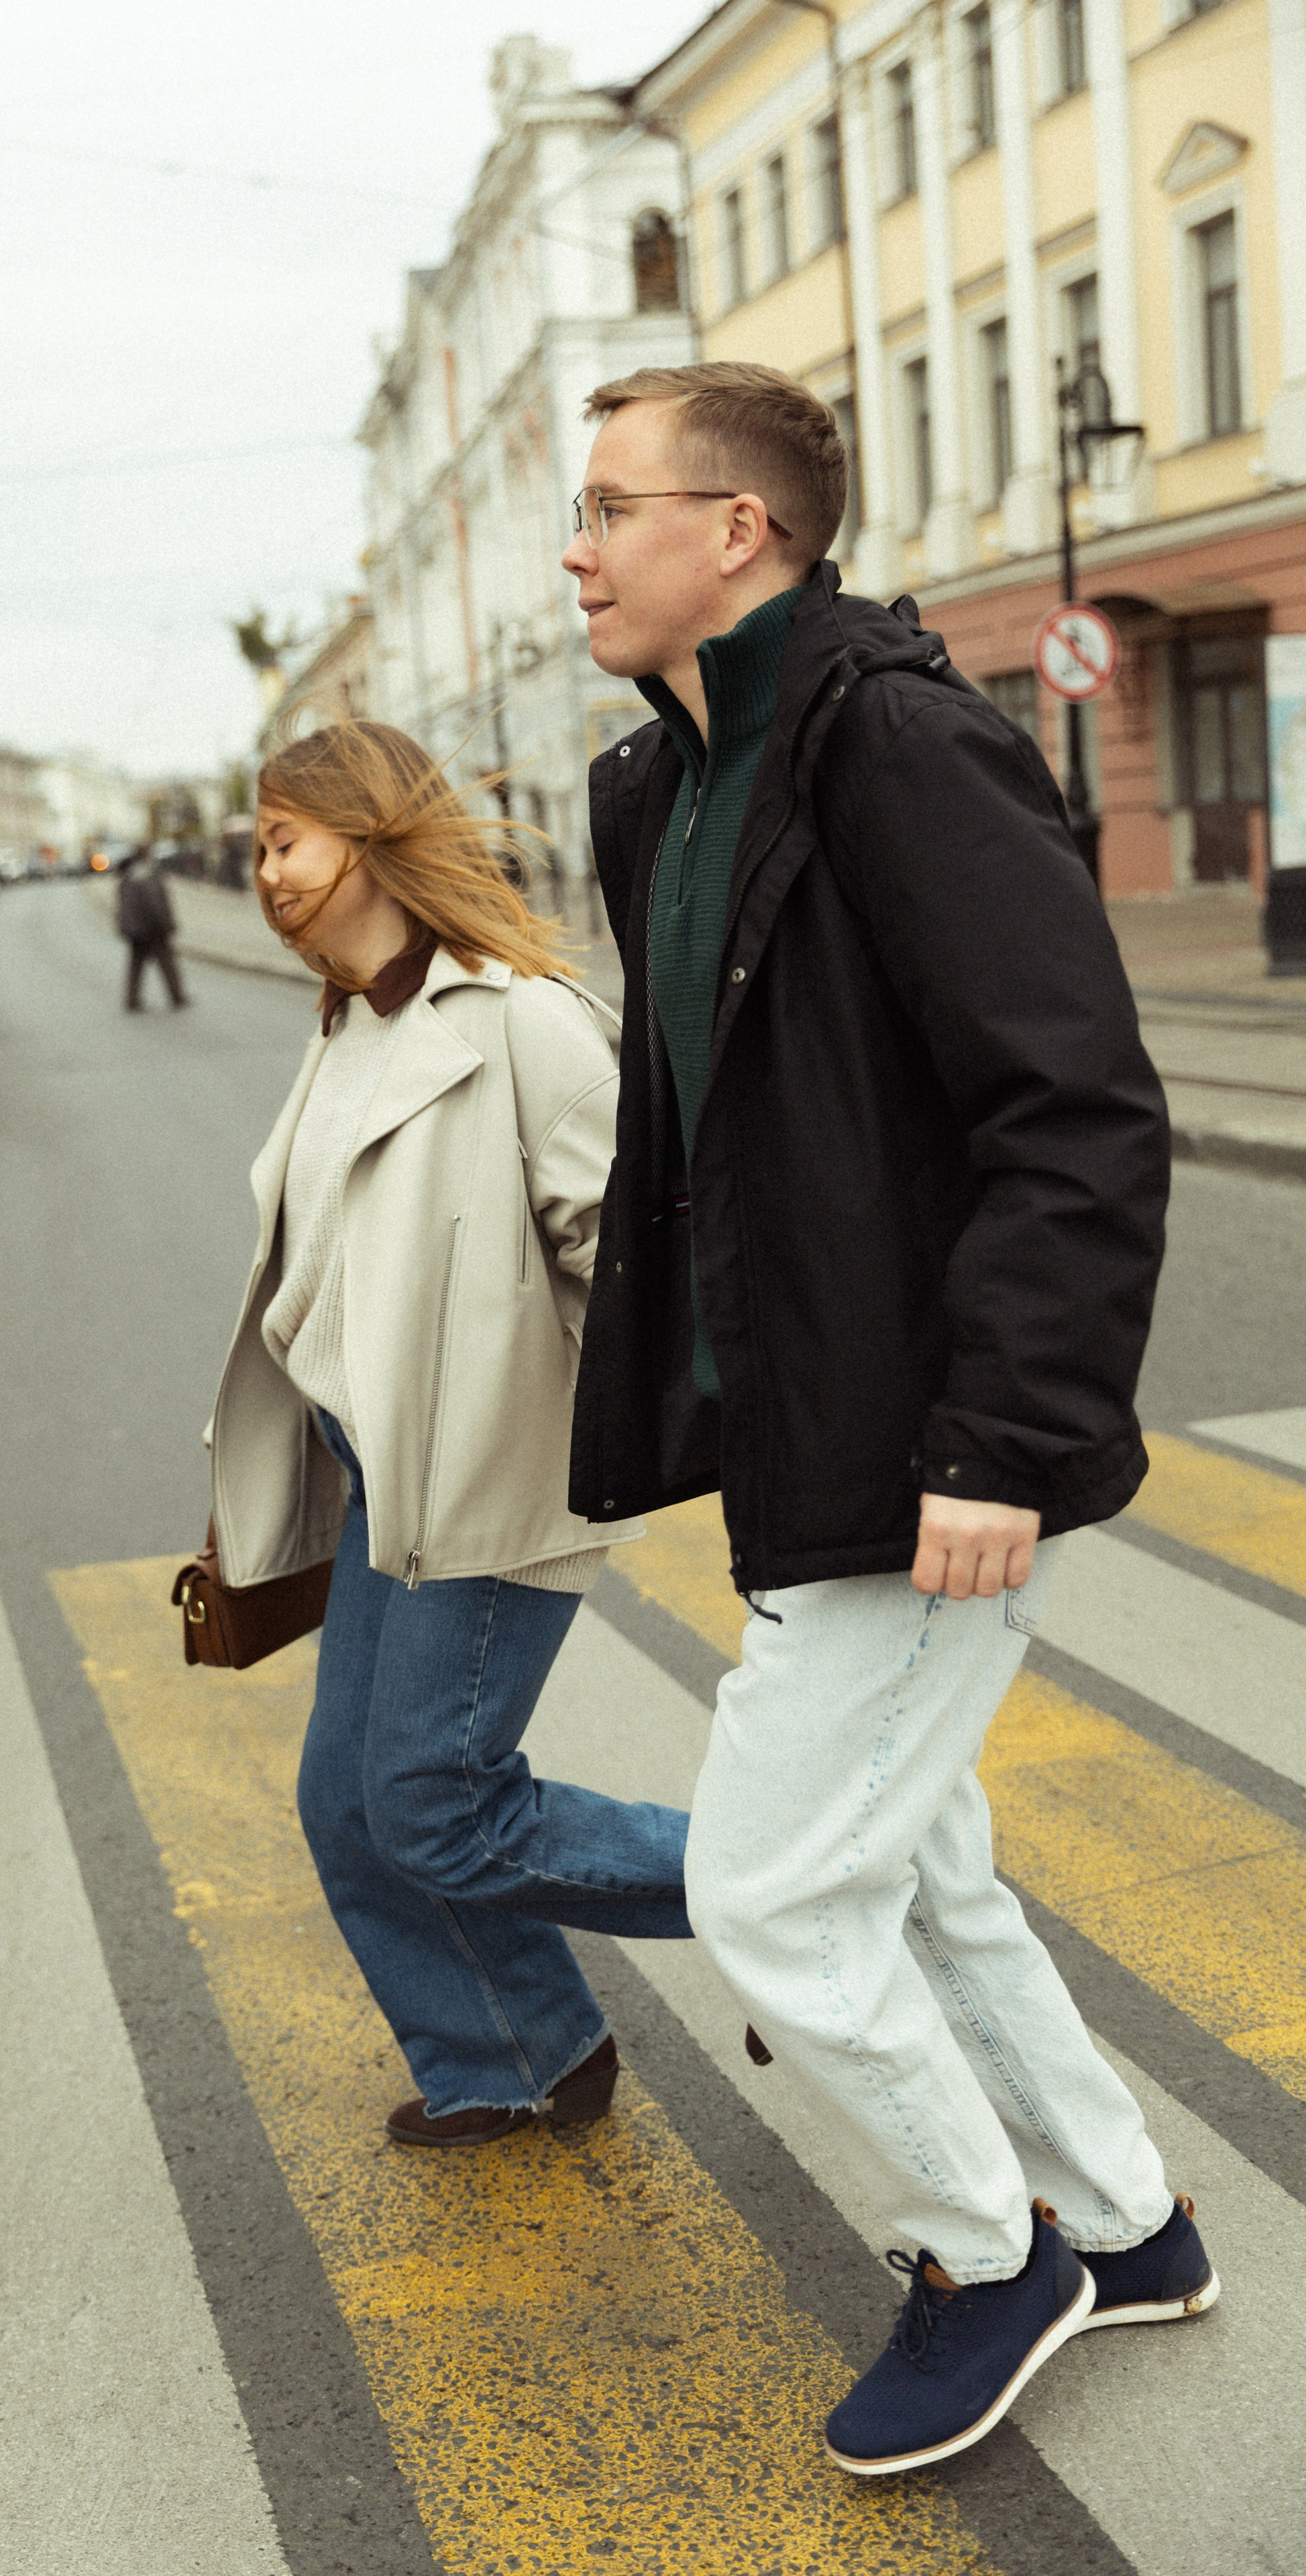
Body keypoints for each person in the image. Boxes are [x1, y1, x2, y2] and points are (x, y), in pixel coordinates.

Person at [560, 362, 1217, 2475]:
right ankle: (1121, 2222)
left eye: (610, 507)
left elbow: (1077, 1111)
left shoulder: (895, 743)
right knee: (921, 1875)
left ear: (736, 529)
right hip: (804, 1430)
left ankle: (981, 2253)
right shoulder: (657, 787)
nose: (575, 549)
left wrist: (999, 1439)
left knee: (770, 1893)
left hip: (925, 1452)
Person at [205, 720, 693, 2145]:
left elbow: (634, 1260)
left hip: (482, 1471)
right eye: (256, 848)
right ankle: (520, 2051)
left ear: (373, 836)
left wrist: (557, 1422)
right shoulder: (347, 1024)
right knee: (349, 1808)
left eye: (285, 841)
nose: (265, 874)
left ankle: (801, 1876)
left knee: (432, 1806)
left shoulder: (519, 1020)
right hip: (382, 1475)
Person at [115, 850, 188, 1009]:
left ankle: (132, 999)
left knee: (136, 966)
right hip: (152, 928)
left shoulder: (128, 876)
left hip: (135, 929)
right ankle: (177, 996)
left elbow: (122, 907)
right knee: (167, 963)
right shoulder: (147, 876)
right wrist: (166, 925)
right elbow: (155, 904)